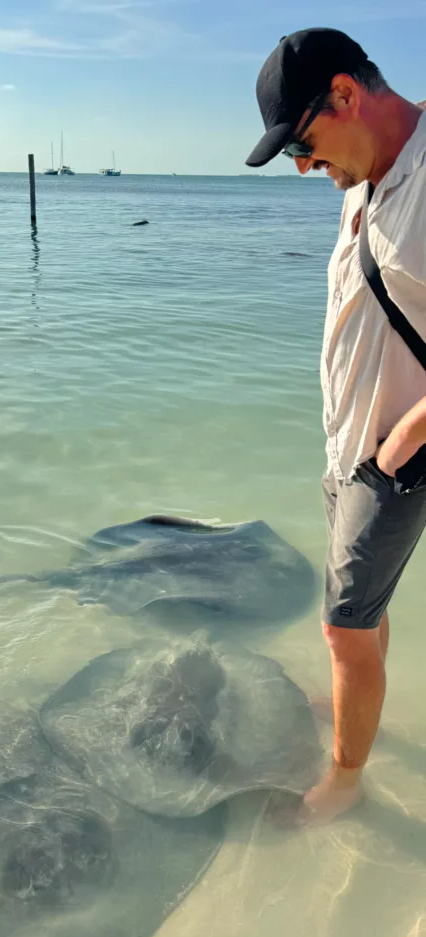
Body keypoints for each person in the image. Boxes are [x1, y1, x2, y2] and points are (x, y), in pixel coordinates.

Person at [246, 28, 426, 824]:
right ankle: (357, 696)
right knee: (363, 618)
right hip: (348, 444)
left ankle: (344, 786)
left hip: (390, 457)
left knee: (342, 624)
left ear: (347, 95)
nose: (306, 169)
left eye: (309, 146)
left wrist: (401, 443)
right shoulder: (366, 175)